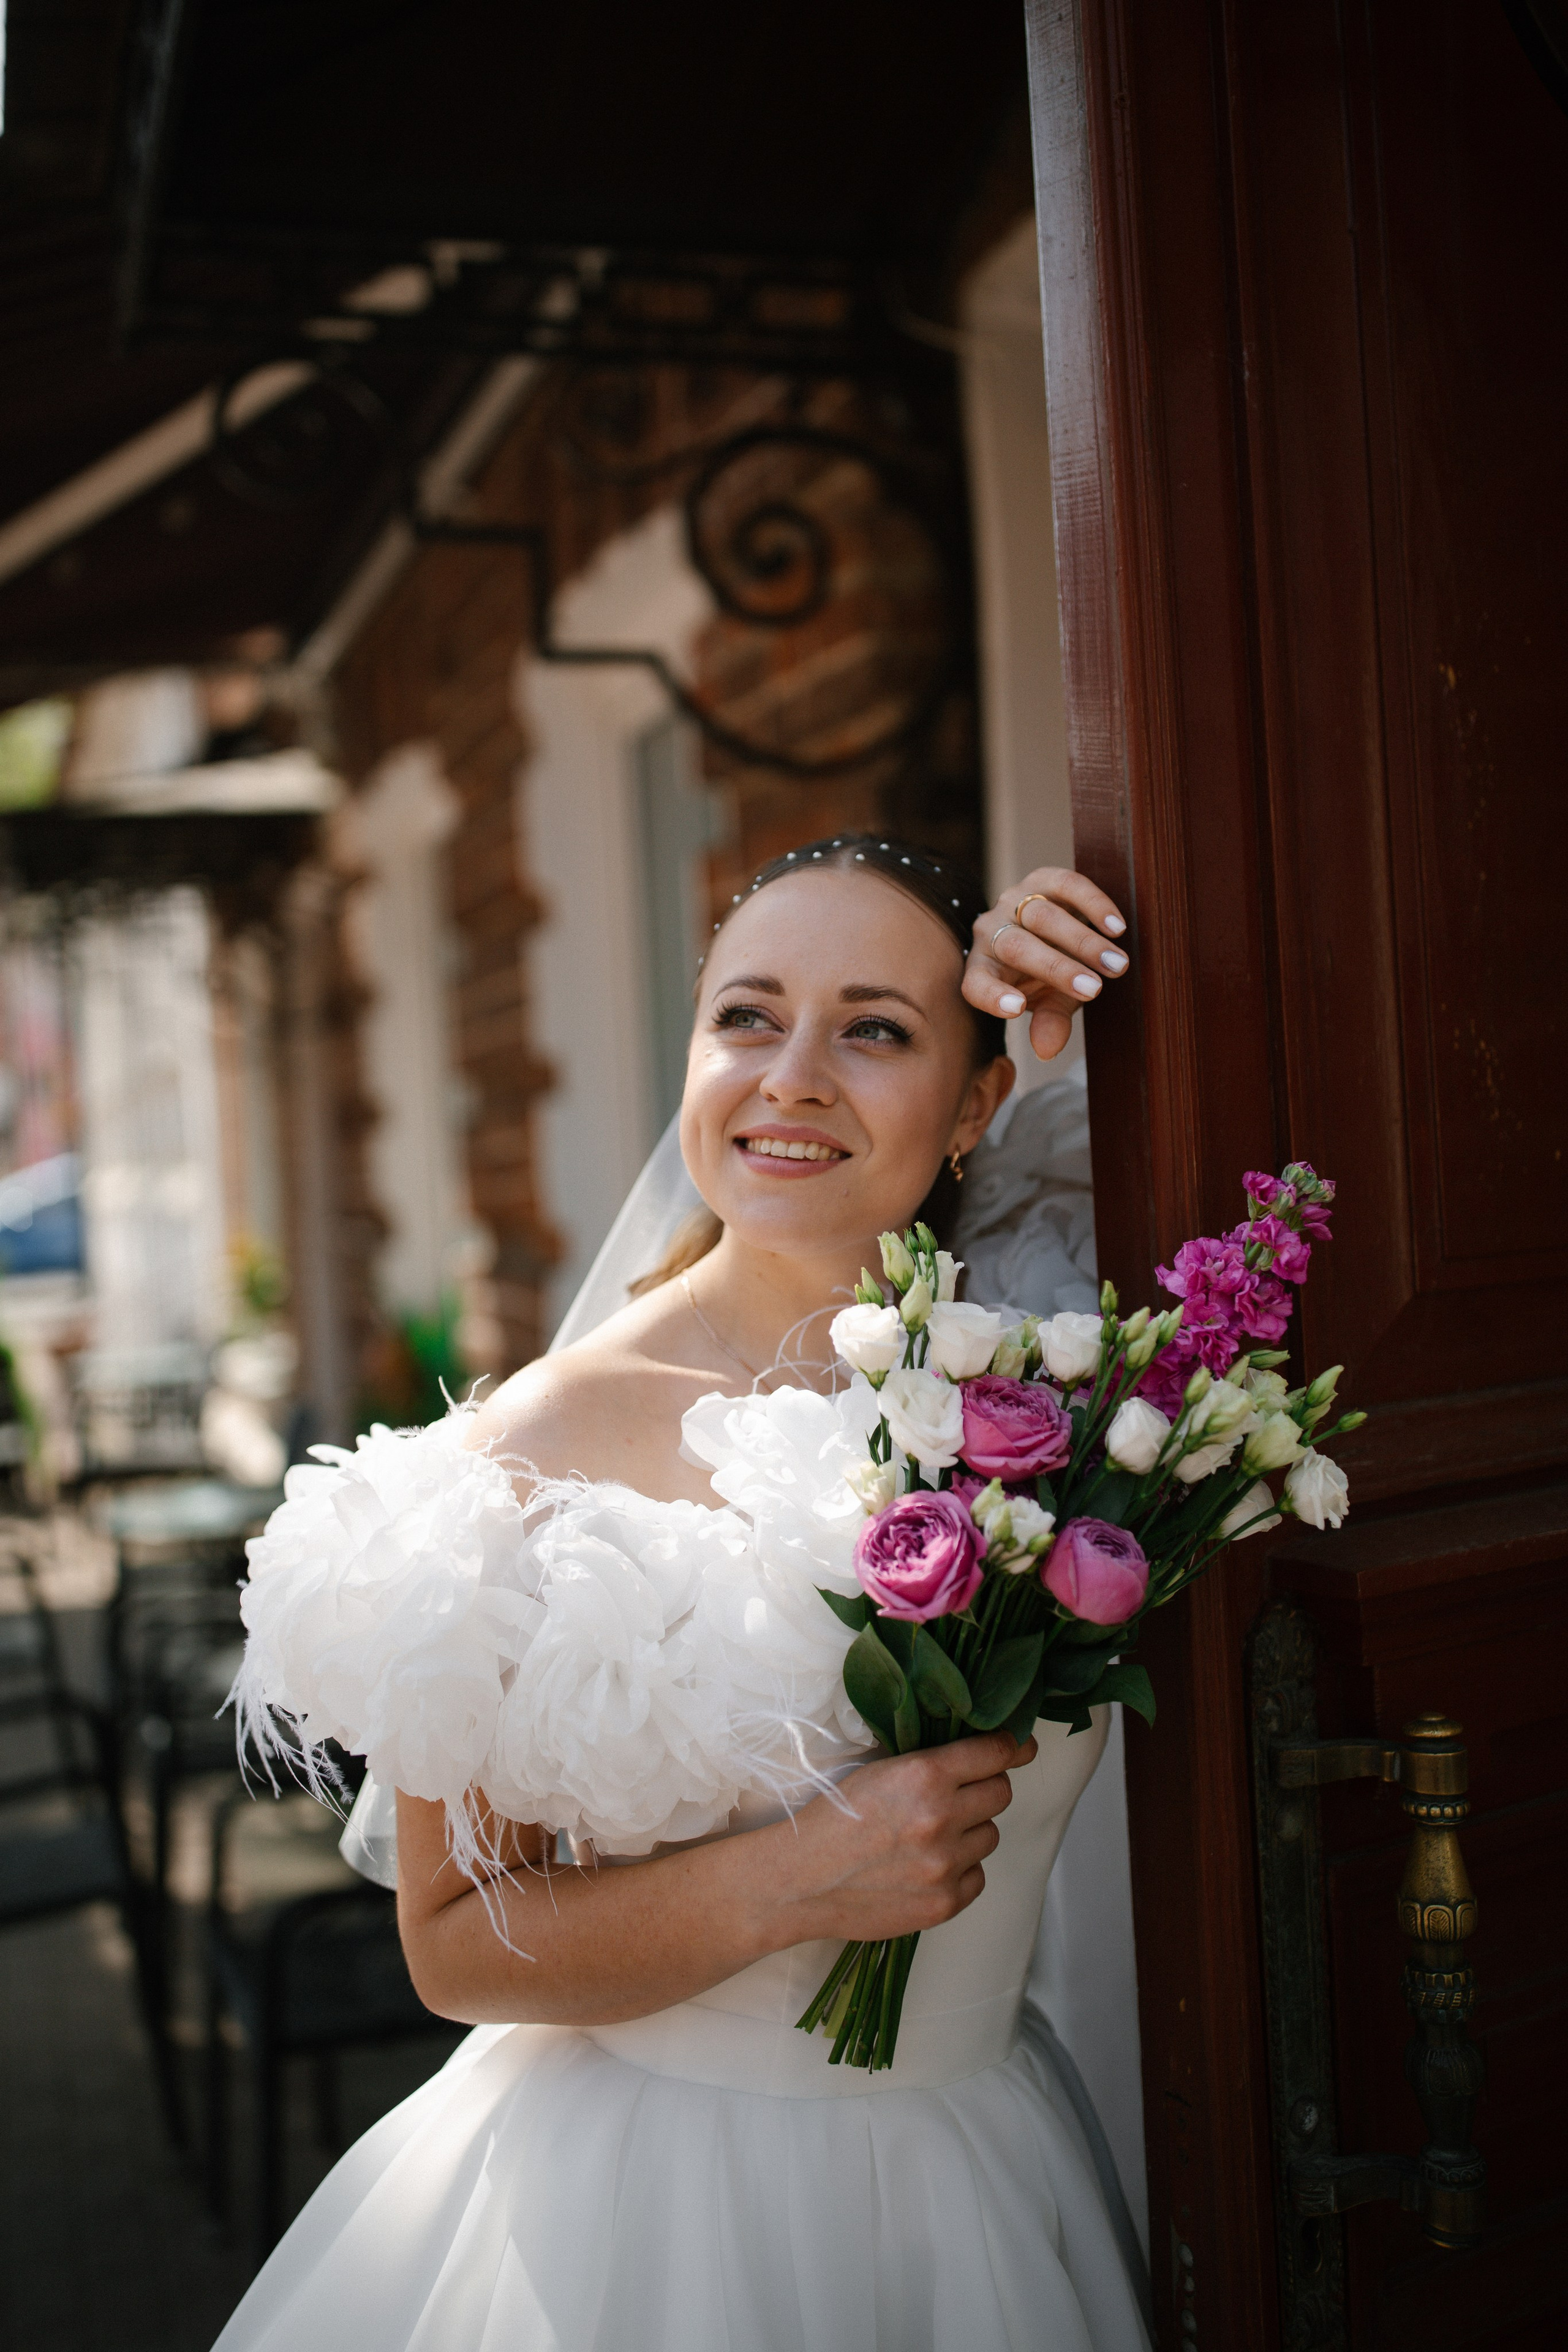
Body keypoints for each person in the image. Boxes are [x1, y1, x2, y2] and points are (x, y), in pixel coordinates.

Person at [215, 837, 1148, 2352]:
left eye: (875, 1027)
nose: (789, 1076)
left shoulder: (1038, 1350)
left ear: (977, 1100)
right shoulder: (517, 1458)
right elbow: (452, 1944)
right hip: (652, 2219)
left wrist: (1079, 977)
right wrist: (797, 1879)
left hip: (974, 2173)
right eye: (745, 1016)